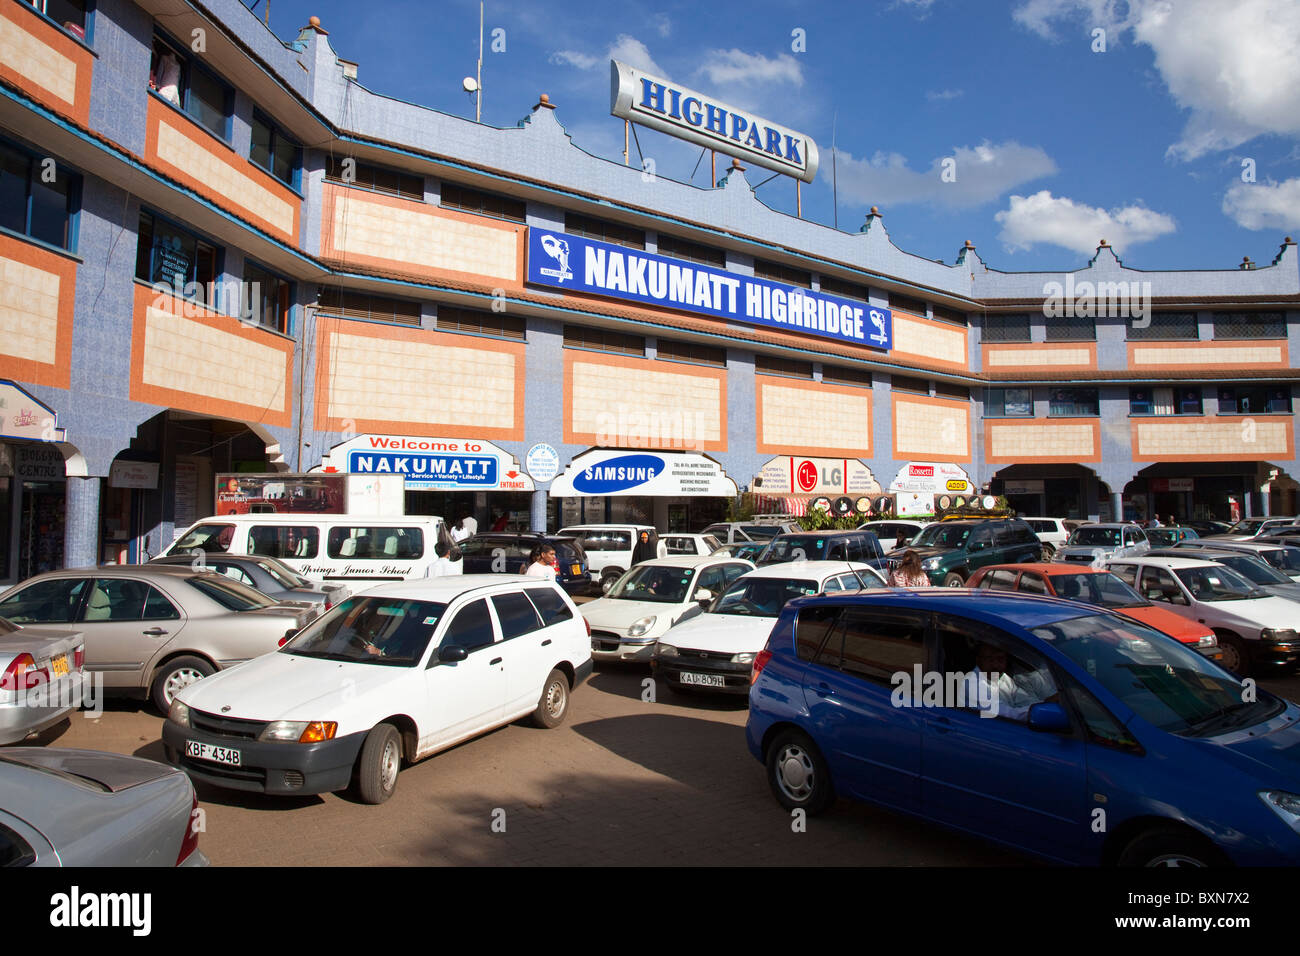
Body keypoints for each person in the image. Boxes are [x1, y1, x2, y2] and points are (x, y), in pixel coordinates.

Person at [962, 642, 1058, 721]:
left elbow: (1024, 700)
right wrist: (1045, 706)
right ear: (978, 660)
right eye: (989, 659)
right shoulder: (972, 684)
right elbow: (1007, 715)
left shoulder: (1003, 678)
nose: (995, 665)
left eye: (1000, 659)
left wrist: (1047, 704)